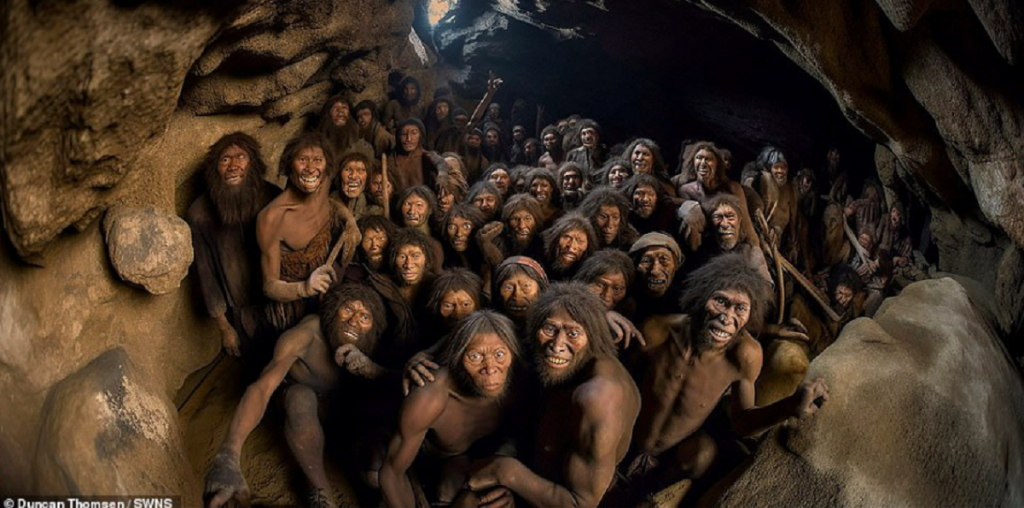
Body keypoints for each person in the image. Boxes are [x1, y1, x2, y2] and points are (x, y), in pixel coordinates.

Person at [624, 254, 829, 502]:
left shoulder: (744, 355)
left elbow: (742, 423)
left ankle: (653, 491)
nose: (727, 318)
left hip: (670, 459)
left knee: (702, 455)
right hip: (625, 441)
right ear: (701, 298)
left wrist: (789, 406)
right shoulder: (657, 330)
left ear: (750, 315)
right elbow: (621, 386)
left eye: (740, 309)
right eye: (721, 301)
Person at [204, 284, 388, 508]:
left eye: (364, 317)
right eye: (348, 310)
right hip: (301, 412)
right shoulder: (308, 334)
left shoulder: (373, 344)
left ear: (373, 326)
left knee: (374, 463)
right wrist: (228, 455)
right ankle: (321, 492)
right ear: (332, 310)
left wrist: (372, 370)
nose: (354, 321)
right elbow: (262, 388)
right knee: (300, 397)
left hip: (342, 415)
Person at [465, 283, 641, 508]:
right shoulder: (552, 356)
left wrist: (507, 472)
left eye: (573, 333)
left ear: (593, 336)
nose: (557, 345)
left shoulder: (598, 397)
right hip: (533, 470)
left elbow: (582, 504)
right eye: (550, 329)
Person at [379, 311, 524, 508]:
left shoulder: (522, 381)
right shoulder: (431, 396)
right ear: (458, 358)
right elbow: (392, 473)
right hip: (435, 462)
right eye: (475, 357)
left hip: (492, 459)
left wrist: (509, 481)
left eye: (499, 355)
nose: (490, 368)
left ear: (513, 354)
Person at [256, 133, 361, 333]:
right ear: (289, 165)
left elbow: (330, 202)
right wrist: (304, 288)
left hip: (328, 283)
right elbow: (268, 286)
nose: (311, 168)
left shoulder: (324, 181)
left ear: (327, 166)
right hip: (293, 303)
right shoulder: (272, 217)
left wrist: (349, 219)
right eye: (302, 160)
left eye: (317, 160)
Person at [186, 132, 278, 359]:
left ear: (253, 163)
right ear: (214, 169)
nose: (233, 165)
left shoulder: (274, 197)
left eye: (241, 157)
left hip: (282, 304)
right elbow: (205, 274)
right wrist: (225, 328)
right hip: (242, 317)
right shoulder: (200, 214)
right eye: (225, 159)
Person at [391, 118, 455, 196]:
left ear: (420, 136)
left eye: (414, 133)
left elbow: (440, 162)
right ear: (398, 137)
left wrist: (442, 175)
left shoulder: (426, 156)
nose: (409, 139)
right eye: (404, 134)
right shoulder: (391, 159)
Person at [542, 213, 597, 281]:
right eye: (567, 237)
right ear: (555, 239)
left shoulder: (589, 273)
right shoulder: (538, 258)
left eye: (580, 241)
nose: (571, 247)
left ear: (587, 246)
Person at [333, 152, 383, 220]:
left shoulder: (375, 212)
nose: (353, 176)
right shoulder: (327, 205)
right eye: (348, 170)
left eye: (360, 170)